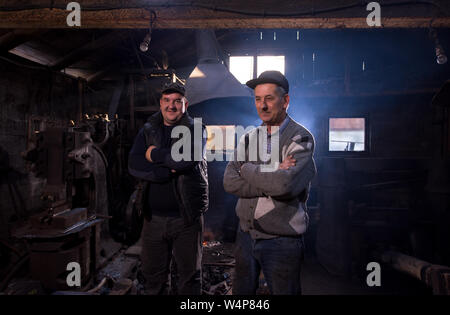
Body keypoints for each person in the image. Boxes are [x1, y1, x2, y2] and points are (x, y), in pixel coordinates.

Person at [223, 71, 316, 295]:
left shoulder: (300, 138)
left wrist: (247, 169)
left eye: (269, 98)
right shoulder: (248, 138)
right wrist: (273, 172)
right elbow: (229, 181)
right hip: (245, 235)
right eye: (257, 99)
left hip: (281, 241)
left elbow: (284, 186)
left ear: (285, 101)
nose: (262, 105)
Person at [128, 82, 208, 295]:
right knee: (153, 278)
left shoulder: (197, 129)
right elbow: (134, 163)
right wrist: (163, 172)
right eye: (167, 100)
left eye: (177, 101)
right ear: (160, 103)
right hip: (152, 219)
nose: (171, 106)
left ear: (185, 104)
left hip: (186, 219)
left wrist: (153, 154)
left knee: (189, 278)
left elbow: (184, 160)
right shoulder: (148, 130)